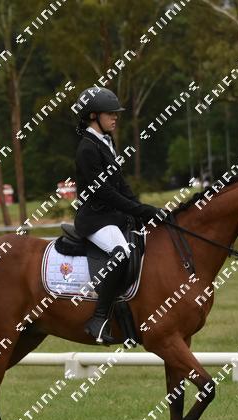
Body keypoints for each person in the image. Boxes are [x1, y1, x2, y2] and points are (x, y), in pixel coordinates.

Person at [73, 86, 162, 344]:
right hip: (95, 219)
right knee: (120, 254)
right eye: (110, 113)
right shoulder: (87, 149)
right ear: (93, 116)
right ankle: (99, 319)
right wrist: (141, 210)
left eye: (116, 113)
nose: (115, 117)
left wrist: (143, 210)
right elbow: (105, 193)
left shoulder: (106, 142)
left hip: (111, 216)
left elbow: (121, 185)